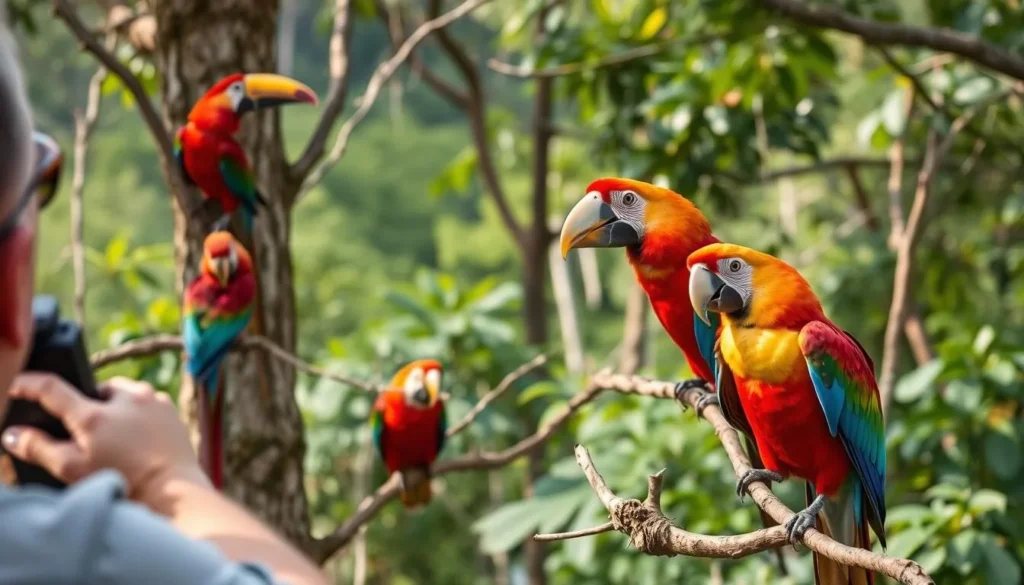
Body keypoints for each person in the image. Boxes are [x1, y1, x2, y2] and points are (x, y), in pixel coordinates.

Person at [0, 7, 329, 585]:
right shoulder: (71, 550)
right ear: (12, 278)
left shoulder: (232, 154)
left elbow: (244, 206)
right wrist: (166, 477)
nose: (242, 101)